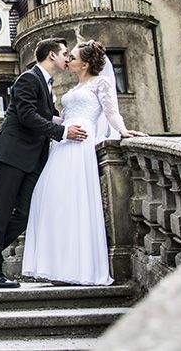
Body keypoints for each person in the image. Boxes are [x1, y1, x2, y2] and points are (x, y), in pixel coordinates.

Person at [0, 38, 88, 289]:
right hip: (12, 154)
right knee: (1, 211)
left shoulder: (46, 84)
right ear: (51, 55)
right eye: (65, 53)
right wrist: (62, 132)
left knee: (24, 215)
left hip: (32, 158)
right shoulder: (28, 78)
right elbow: (27, 116)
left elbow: (45, 115)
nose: (68, 58)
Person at [21, 40, 147, 286]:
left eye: (73, 57)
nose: (68, 60)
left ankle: (79, 268)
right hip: (64, 141)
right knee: (52, 199)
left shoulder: (100, 82)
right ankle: (58, 265)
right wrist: (45, 121)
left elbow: (111, 112)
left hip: (81, 144)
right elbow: (65, 117)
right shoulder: (75, 86)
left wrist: (123, 131)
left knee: (75, 201)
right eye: (67, 56)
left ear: (86, 64)